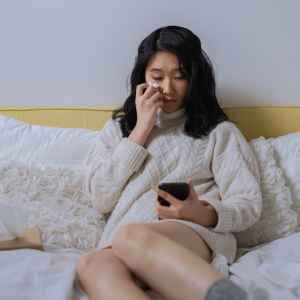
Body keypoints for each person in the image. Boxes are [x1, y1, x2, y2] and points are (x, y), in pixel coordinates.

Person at [76, 25, 262, 300]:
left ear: (194, 79)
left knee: (129, 236)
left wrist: (202, 212)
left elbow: (249, 204)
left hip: (193, 232)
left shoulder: (218, 132)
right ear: (142, 78)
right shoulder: (118, 130)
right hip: (123, 240)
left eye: (179, 77)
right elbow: (100, 198)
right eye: (157, 77)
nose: (167, 88)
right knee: (90, 263)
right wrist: (140, 129)